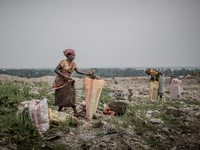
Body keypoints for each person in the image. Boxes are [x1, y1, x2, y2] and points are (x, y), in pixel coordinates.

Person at [52, 49, 89, 117]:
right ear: (68, 55)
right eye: (73, 55)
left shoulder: (73, 64)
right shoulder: (63, 62)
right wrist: (64, 76)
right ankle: (59, 111)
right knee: (62, 96)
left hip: (69, 81)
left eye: (74, 55)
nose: (74, 57)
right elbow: (56, 70)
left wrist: (86, 74)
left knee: (71, 96)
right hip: (61, 82)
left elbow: (77, 71)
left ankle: (75, 112)